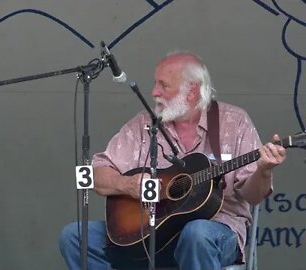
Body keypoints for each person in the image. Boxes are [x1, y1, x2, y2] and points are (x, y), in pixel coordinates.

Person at [59, 51, 287, 269]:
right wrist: (127, 184)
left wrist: (264, 171)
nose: (154, 93)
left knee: (196, 233)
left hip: (215, 232)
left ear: (191, 91)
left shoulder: (234, 123)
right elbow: (95, 174)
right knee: (75, 235)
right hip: (150, 233)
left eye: (163, 85)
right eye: (155, 84)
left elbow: (253, 196)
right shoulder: (143, 124)